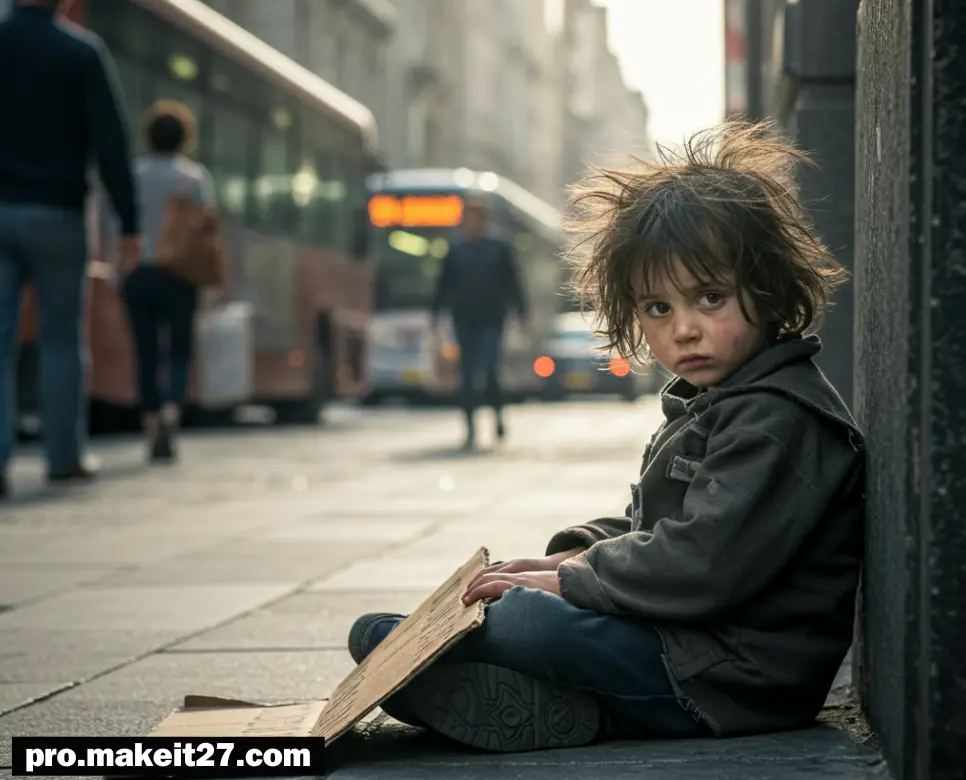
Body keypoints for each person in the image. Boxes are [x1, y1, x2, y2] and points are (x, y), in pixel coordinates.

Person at [346, 122, 865, 752]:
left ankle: (561, 697)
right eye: (658, 308)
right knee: (392, 632)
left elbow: (700, 563)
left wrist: (570, 583)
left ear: (770, 289)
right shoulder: (723, 401)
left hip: (730, 679)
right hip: (685, 648)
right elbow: (659, 526)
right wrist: (566, 557)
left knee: (522, 621)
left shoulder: (778, 419)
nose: (684, 329)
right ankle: (556, 703)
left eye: (710, 298)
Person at [0, 0, 140, 499]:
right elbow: (111, 143)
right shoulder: (81, 52)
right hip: (59, 215)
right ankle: (63, 458)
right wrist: (129, 224)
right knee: (61, 338)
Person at [105, 100, 217, 463]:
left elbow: (114, 222)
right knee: (180, 348)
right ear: (185, 138)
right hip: (180, 276)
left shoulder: (133, 175)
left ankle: (151, 420)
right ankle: (171, 409)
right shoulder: (194, 179)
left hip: (138, 272)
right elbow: (206, 233)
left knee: (146, 351)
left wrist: (117, 266)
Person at [430, 198, 529, 450]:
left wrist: (521, 313)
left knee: (489, 371)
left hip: (492, 321)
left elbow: (513, 282)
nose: (473, 224)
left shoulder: (499, 248)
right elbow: (443, 285)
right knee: (467, 375)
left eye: (477, 219)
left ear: (484, 221)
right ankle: (470, 428)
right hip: (464, 320)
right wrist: (435, 316)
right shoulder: (457, 250)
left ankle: (497, 416)